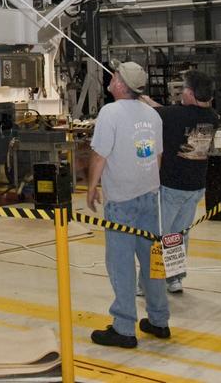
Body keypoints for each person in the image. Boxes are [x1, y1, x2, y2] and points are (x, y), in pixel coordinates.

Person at [86, 60, 171, 349]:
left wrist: (92, 187)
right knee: (151, 260)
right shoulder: (152, 114)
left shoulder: (110, 112)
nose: (111, 77)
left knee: (120, 264)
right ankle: (159, 320)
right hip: (149, 195)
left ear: (122, 85)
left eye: (115, 75)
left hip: (122, 200)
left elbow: (100, 155)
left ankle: (123, 328)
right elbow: (157, 156)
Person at [156, 70, 218, 294]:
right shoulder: (212, 117)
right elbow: (169, 112)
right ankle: (174, 279)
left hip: (172, 186)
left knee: (159, 236)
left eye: (184, 88)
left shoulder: (174, 115)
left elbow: (157, 112)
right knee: (179, 235)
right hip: (195, 187)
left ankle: (149, 283)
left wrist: (140, 98)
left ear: (190, 93)